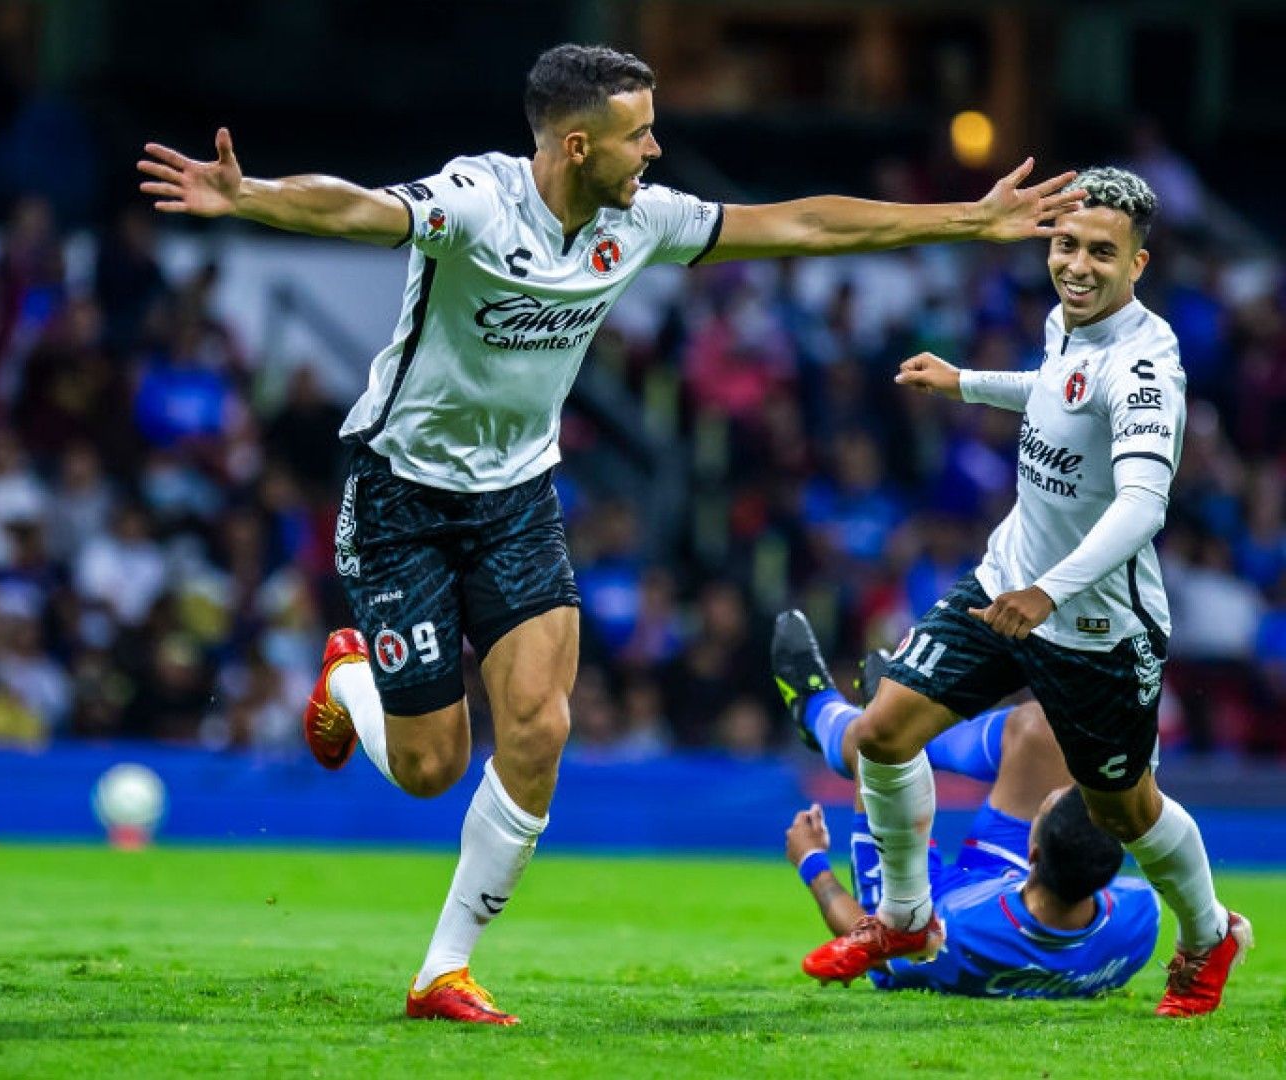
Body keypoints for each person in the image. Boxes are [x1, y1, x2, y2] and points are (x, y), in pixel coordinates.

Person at [138, 42, 1084, 1025]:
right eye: (640, 135)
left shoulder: (640, 221)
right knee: (430, 769)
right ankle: (347, 678)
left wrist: (968, 218)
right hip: (401, 498)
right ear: (579, 145)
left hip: (517, 499)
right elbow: (360, 209)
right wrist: (249, 197)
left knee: (542, 728)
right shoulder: (478, 201)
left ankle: (443, 972)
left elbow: (801, 222)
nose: (656, 151)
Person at [797, 167, 1250, 1016]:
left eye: (1101, 253)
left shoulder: (1145, 369)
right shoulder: (1067, 323)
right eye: (1066, 245)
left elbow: (1143, 505)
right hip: (1005, 577)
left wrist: (1047, 593)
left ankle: (1209, 934)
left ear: (1139, 264)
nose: (1076, 265)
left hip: (1095, 627)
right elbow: (1057, 393)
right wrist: (965, 382)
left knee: (1125, 812)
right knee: (885, 732)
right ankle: (905, 920)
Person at [774, 618, 1158, 998]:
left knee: (875, 755)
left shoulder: (956, 935)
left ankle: (817, 710)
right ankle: (907, 730)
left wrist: (812, 862)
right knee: (1044, 733)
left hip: (929, 902)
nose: (1048, 797)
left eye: (1043, 812)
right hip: (1008, 881)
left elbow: (876, 950)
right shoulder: (1140, 915)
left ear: (1035, 851)